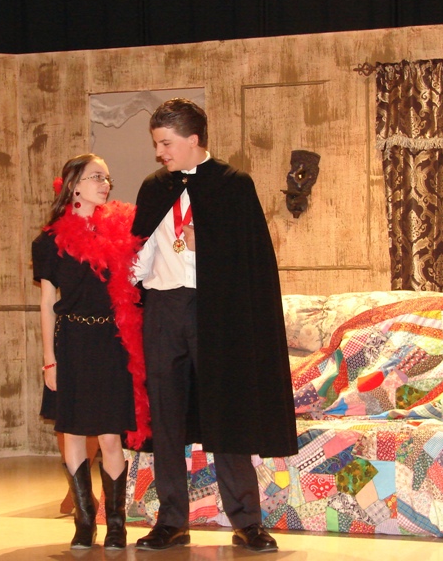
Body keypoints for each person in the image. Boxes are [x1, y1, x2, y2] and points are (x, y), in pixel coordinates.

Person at [131, 99, 298, 552]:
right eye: (157, 144)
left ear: (193, 140)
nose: (160, 152)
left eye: (166, 143)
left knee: (227, 412)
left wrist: (204, 242)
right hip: (163, 309)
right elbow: (139, 245)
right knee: (166, 416)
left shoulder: (233, 184)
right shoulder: (154, 187)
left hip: (216, 310)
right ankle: (171, 520)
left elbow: (252, 257)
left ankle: (247, 521)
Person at [32, 153, 150, 549]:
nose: (105, 184)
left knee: (111, 437)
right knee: (73, 435)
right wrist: (49, 360)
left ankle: (116, 523)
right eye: (97, 177)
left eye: (107, 178)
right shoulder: (49, 242)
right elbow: (47, 304)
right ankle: (84, 522)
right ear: (74, 186)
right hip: (71, 342)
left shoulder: (120, 232)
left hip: (112, 342)